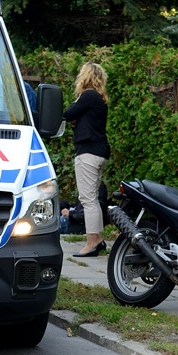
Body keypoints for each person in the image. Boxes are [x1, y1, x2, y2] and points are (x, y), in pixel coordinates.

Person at [63, 62, 110, 257]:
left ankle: (91, 242)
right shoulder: (99, 98)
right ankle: (97, 240)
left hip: (88, 153)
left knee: (88, 199)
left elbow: (67, 114)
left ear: (85, 77)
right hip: (99, 151)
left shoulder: (88, 95)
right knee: (93, 200)